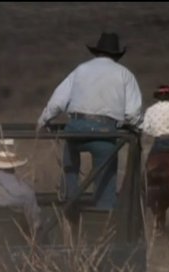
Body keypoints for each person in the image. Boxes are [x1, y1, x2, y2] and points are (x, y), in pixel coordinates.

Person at [36, 32, 143, 210]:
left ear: (97, 52)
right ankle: (102, 216)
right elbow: (132, 113)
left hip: (76, 126)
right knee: (105, 177)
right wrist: (138, 128)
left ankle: (70, 203)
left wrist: (42, 121)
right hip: (105, 130)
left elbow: (57, 102)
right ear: (116, 55)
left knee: (70, 164)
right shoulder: (125, 74)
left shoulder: (80, 69)